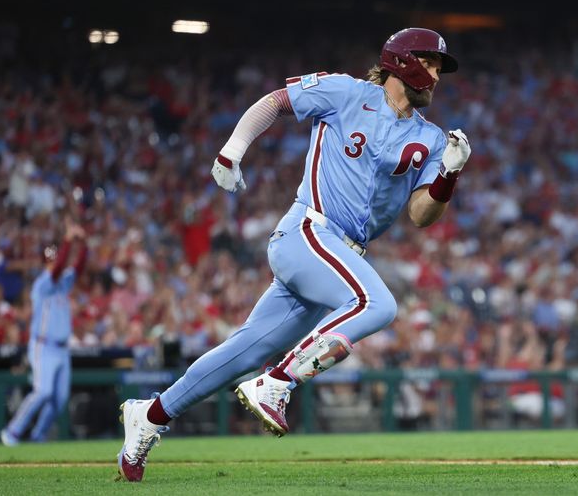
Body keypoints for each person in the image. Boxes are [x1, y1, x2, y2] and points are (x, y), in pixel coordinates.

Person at [117, 28, 471, 482]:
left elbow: (422, 216)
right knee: (377, 304)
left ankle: (150, 414)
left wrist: (448, 175)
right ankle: (279, 381)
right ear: (404, 62)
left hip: (336, 256)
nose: (438, 76)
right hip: (308, 230)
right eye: (433, 63)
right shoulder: (346, 92)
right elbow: (276, 101)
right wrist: (232, 151)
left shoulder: (430, 137)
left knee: (243, 352)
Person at [0, 218, 87, 445]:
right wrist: (68, 239)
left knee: (60, 400)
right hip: (43, 346)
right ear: (44, 263)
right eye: (49, 260)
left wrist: (83, 242)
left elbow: (78, 266)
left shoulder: (64, 283)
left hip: (62, 349)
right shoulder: (42, 284)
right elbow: (59, 268)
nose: (52, 263)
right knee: (43, 391)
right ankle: (12, 431)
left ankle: (38, 436)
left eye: (53, 259)